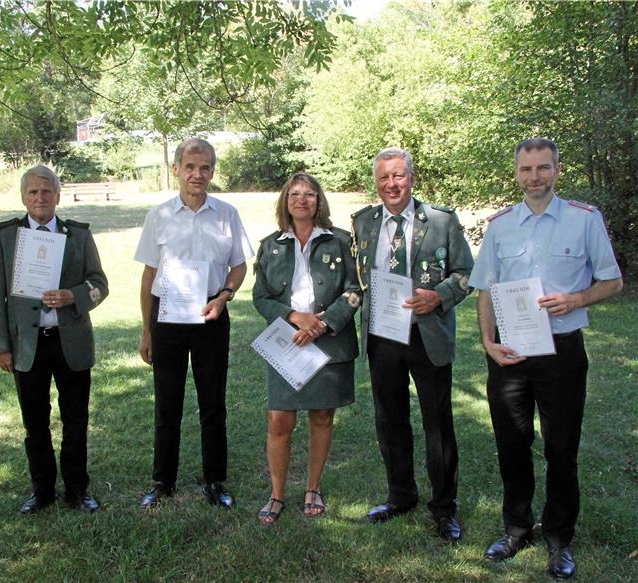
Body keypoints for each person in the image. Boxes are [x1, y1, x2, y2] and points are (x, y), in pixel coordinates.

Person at [469, 138, 622, 579]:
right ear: (516, 173)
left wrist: (575, 299)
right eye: (526, 170)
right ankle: (516, 527)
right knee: (512, 444)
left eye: (542, 168)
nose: (534, 177)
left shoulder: (584, 220)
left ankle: (558, 537)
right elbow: (485, 289)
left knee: (561, 447)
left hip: (563, 352)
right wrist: (487, 342)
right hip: (511, 353)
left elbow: (612, 282)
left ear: (557, 169)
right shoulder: (500, 227)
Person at [350, 147, 474, 542]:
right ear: (376, 181)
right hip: (383, 335)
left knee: (437, 424)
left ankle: (444, 508)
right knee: (390, 421)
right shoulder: (363, 222)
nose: (392, 184)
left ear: (411, 178)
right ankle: (400, 495)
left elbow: (467, 273)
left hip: (427, 334)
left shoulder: (441, 220)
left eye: (399, 176)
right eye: (384, 177)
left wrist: (438, 295)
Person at [134, 137, 253, 509]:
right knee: (167, 405)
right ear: (176, 170)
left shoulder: (227, 214)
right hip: (168, 316)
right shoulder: (159, 216)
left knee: (213, 404)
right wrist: (147, 330)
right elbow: (149, 275)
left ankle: (215, 481)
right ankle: (162, 481)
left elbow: (239, 265)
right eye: (190, 167)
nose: (197, 175)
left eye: (204, 168)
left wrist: (225, 296)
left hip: (212, 314)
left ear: (212, 172)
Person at [0, 165, 108, 515]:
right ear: (23, 197)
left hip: (70, 341)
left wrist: (73, 296)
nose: (40, 198)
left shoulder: (79, 235)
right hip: (28, 345)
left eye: (47, 191)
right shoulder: (6, 237)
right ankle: (41, 491)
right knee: (34, 423)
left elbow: (100, 283)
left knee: (76, 420)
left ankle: (77, 489)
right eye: (33, 192)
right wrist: (2, 346)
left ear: (58, 195)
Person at [252, 172, 361, 524]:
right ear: (285, 200)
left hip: (329, 340)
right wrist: (294, 316)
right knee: (279, 420)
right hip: (288, 340)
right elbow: (261, 296)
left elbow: (356, 289)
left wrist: (324, 323)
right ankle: (278, 493)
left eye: (310, 194)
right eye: (295, 194)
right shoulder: (270, 245)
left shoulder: (342, 241)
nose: (302, 200)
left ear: (319, 200)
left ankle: (313, 487)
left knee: (322, 416)